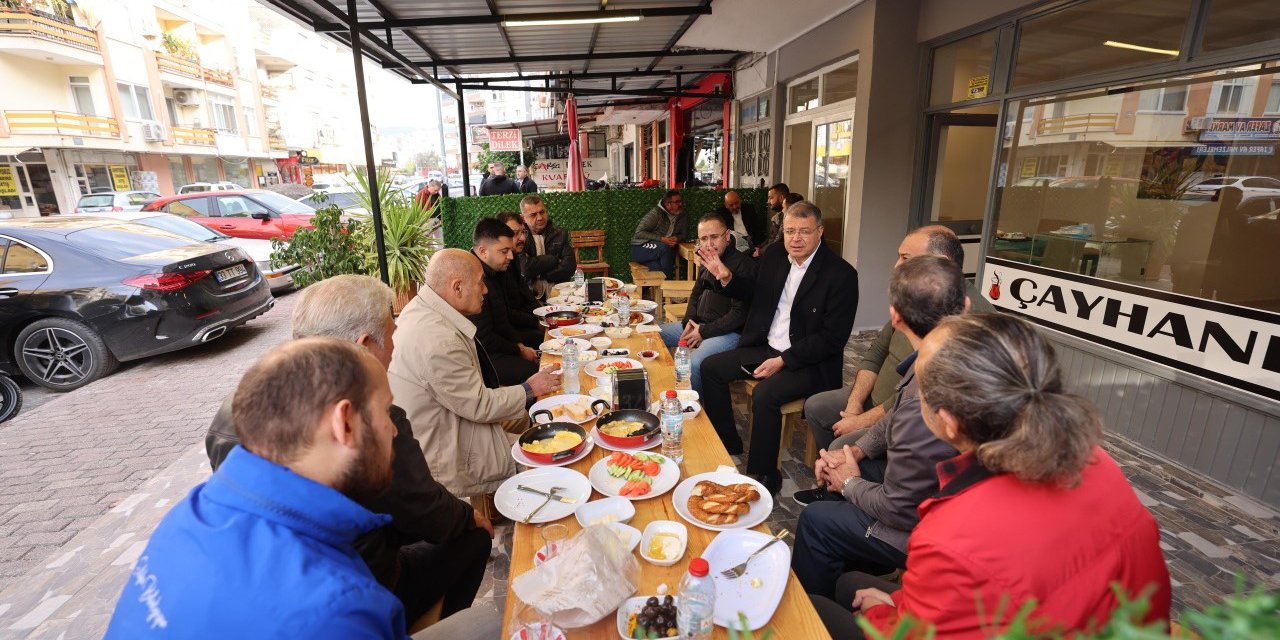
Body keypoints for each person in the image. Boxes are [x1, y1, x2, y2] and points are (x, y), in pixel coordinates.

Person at [107, 338, 501, 639]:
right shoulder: (337, 608)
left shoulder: (188, 513)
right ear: (344, 424)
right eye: (385, 411)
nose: (394, 428)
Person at [811, 314, 1172, 639]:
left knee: (817, 607)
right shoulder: (1099, 463)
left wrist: (880, 613)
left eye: (920, 388)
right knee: (849, 584)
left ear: (949, 422)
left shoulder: (949, 535)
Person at [202, 275, 493, 625]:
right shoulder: (370, 417)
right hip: (367, 584)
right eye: (392, 334)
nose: (394, 348)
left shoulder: (235, 405)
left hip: (283, 584)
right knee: (473, 537)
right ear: (365, 344)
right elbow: (423, 509)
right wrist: (467, 517)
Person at [791, 255, 965, 600]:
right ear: (966, 306)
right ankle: (856, 563)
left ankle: (816, 615)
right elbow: (893, 416)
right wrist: (854, 451)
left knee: (816, 521)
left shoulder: (930, 394)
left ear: (895, 317)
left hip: (934, 529)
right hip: (940, 497)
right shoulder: (951, 352)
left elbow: (897, 509)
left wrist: (850, 482)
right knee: (845, 471)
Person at [793, 225, 996, 505]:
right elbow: (876, 352)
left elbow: (913, 401)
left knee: (843, 447)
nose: (896, 265)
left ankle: (846, 497)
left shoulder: (972, 323)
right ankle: (833, 483)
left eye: (906, 258)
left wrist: (862, 422)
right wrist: (855, 403)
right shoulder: (916, 296)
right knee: (816, 406)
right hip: (886, 402)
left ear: (942, 265)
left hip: (905, 418)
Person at [697, 200, 859, 495]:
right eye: (789, 231)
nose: (795, 239)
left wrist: (784, 360)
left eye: (804, 231)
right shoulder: (774, 256)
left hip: (809, 362)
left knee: (765, 396)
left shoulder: (841, 275)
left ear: (820, 232)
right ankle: (727, 442)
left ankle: (764, 475)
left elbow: (832, 339)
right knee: (711, 367)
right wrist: (726, 277)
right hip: (766, 345)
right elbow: (752, 292)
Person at [388, 249, 560, 499]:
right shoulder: (437, 340)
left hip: (450, 418)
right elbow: (479, 406)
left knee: (525, 417)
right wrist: (530, 388)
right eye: (480, 283)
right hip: (445, 448)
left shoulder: (425, 307)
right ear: (457, 287)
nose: (486, 290)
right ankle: (515, 502)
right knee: (547, 457)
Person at [657, 214, 754, 392]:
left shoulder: (744, 265)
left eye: (714, 237)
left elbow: (739, 315)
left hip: (729, 334)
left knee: (694, 363)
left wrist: (703, 332)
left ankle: (694, 411)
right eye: (704, 239)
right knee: (656, 334)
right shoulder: (707, 258)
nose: (709, 244)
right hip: (700, 325)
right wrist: (688, 322)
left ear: (727, 236)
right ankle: (660, 388)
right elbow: (696, 294)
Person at [470, 218, 540, 384]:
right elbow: (484, 339)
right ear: (483, 251)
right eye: (504, 251)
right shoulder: (472, 277)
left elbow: (503, 319)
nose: (510, 256)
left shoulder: (495, 271)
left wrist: (519, 345)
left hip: (499, 345)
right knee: (536, 372)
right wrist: (519, 350)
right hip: (482, 359)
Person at [496, 211, 544, 343]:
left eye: (523, 232)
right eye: (515, 233)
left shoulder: (515, 258)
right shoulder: (497, 266)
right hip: (508, 334)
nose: (522, 238)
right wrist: (537, 322)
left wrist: (543, 315)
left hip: (523, 323)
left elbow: (526, 294)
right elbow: (507, 313)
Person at [520, 194, 577, 299]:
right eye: (533, 215)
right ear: (523, 218)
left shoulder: (560, 233)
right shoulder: (520, 237)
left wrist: (541, 275)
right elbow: (525, 268)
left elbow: (569, 266)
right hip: (530, 293)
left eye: (542, 212)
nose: (540, 218)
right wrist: (554, 259)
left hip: (559, 292)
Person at [631, 189, 688, 278]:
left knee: (657, 267)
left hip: (662, 252)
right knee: (664, 248)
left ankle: (649, 291)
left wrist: (676, 239)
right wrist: (662, 239)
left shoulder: (682, 214)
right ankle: (668, 285)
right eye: (677, 202)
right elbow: (639, 233)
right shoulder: (656, 213)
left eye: (681, 201)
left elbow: (683, 235)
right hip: (640, 248)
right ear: (668, 204)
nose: (680, 204)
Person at [759, 182, 790, 254]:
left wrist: (759, 252)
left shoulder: (788, 217)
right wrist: (759, 247)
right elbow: (771, 238)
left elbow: (777, 241)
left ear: (781, 198)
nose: (768, 201)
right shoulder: (778, 216)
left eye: (771, 198)